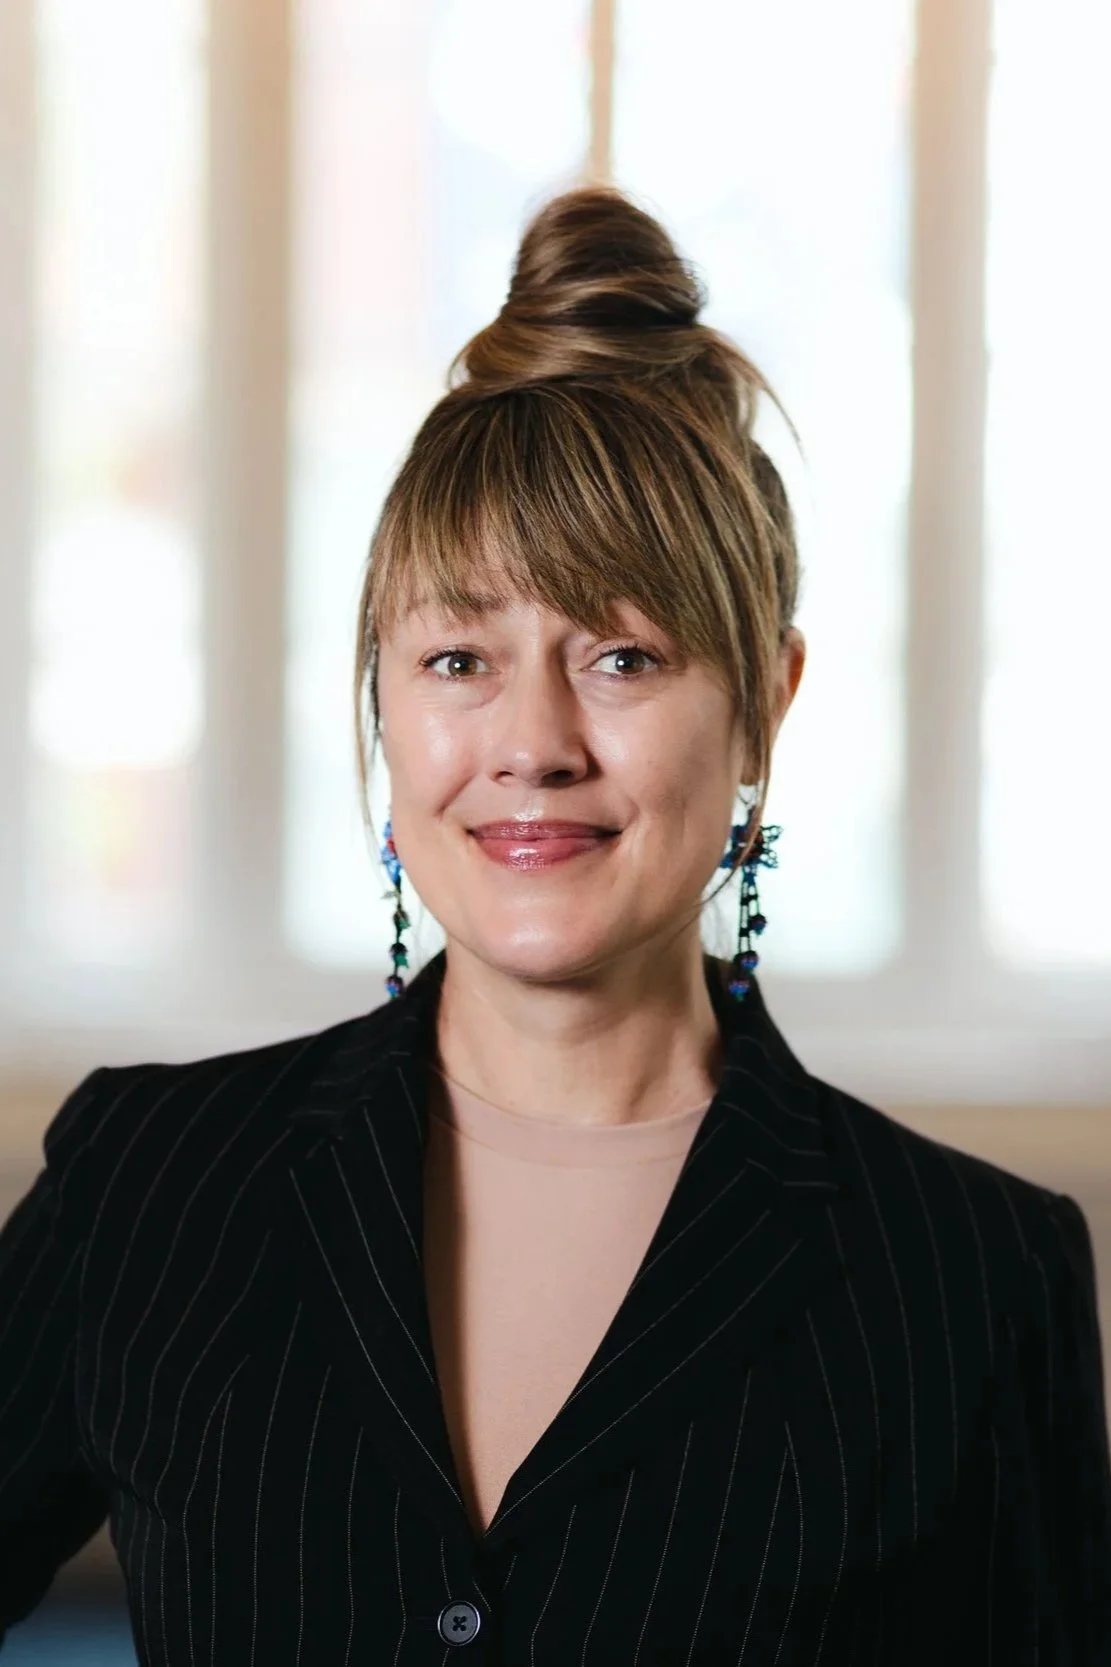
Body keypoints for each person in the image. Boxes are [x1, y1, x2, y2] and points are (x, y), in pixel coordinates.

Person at [1, 186, 1109, 1666]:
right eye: (459, 657)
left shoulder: (973, 1280)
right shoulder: (149, 1184)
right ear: (382, 696)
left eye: (623, 656)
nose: (531, 744)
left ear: (765, 702)